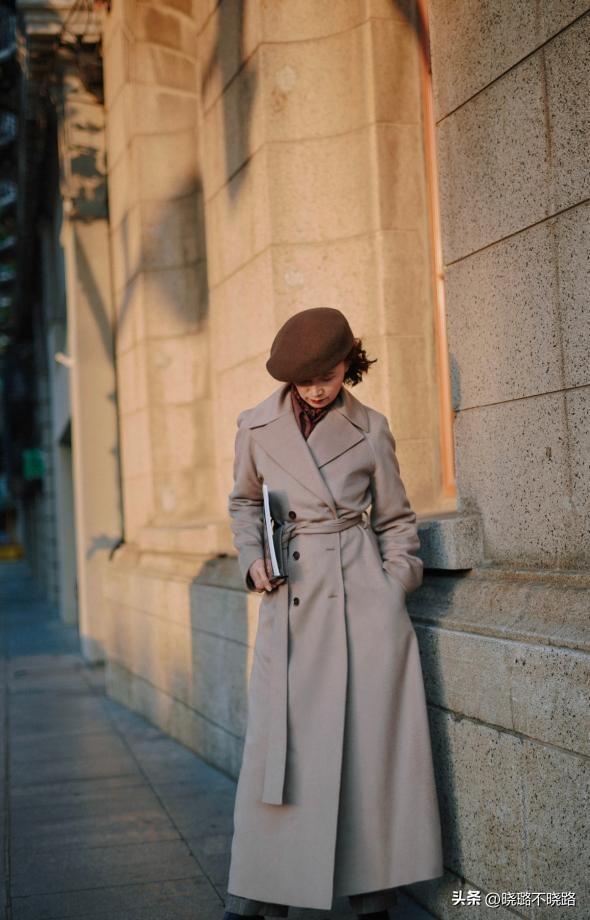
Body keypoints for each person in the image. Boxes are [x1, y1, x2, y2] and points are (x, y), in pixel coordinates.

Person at [223, 308, 444, 920]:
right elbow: (243, 504)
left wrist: (391, 586)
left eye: (327, 375)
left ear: (350, 363)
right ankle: (264, 895)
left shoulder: (370, 429)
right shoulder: (255, 426)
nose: (317, 389)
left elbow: (396, 520)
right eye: (305, 380)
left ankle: (373, 897)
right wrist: (252, 561)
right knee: (279, 756)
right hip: (291, 608)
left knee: (366, 758)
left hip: (361, 611)